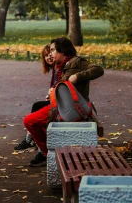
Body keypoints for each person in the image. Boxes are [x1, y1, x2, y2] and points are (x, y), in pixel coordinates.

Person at [23, 36, 104, 167]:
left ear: (63, 51)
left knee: (29, 121)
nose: (51, 53)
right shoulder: (61, 66)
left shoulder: (76, 61)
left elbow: (98, 70)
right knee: (35, 113)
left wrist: (77, 77)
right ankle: (43, 150)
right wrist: (53, 92)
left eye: (54, 50)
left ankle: (44, 153)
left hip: (72, 108)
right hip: (61, 105)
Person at [13, 44, 56, 151]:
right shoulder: (55, 70)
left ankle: (31, 140)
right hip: (58, 102)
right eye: (46, 56)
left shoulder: (60, 69)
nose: (48, 57)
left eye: (50, 54)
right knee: (37, 106)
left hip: (64, 107)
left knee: (36, 110)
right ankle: (31, 139)